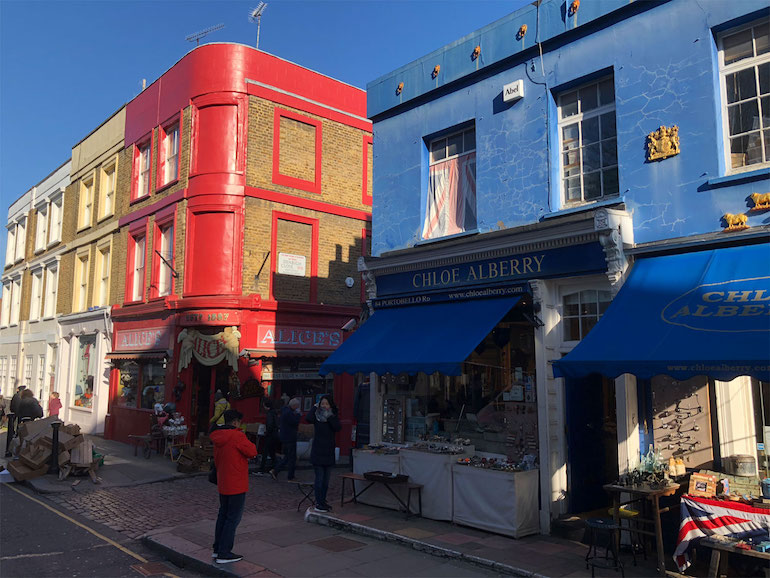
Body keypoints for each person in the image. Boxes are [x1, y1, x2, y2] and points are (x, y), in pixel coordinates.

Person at [209, 409, 257, 564]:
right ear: (236, 422)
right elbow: (252, 451)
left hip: (223, 481)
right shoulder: (237, 436)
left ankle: (217, 549)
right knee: (232, 518)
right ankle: (224, 552)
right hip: (236, 483)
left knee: (223, 515)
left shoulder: (218, 436)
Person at [306, 395, 341, 513]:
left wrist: (330, 416)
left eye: (326, 404)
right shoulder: (316, 416)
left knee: (326, 480)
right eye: (322, 404)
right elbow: (308, 418)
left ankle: (323, 500)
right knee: (319, 479)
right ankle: (319, 502)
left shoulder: (333, 416)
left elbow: (337, 427)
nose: (324, 406)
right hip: (318, 451)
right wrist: (314, 407)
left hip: (328, 451)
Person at [270, 397, 301, 481]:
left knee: (288, 457)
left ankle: (276, 470)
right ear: (294, 406)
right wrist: (298, 414)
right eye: (297, 406)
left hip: (286, 436)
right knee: (291, 457)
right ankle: (289, 475)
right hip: (289, 437)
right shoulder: (289, 413)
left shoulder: (285, 411)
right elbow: (295, 422)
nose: (298, 408)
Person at [258, 398, 280, 475]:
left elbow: (270, 425)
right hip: (274, 434)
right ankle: (275, 467)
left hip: (270, 435)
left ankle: (262, 469)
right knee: (272, 452)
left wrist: (266, 432)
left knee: (265, 451)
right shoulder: (274, 413)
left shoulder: (270, 414)